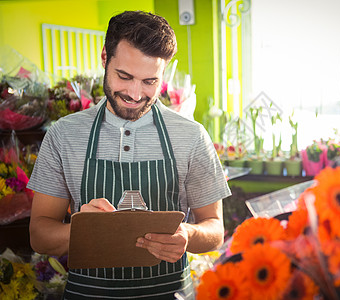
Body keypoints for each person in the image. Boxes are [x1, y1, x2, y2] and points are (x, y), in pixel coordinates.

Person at [27, 10, 231, 299]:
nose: (136, 94)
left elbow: (215, 229)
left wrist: (187, 235)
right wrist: (83, 230)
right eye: (124, 76)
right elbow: (39, 235)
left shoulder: (191, 136)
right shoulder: (64, 134)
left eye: (150, 82)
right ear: (104, 58)